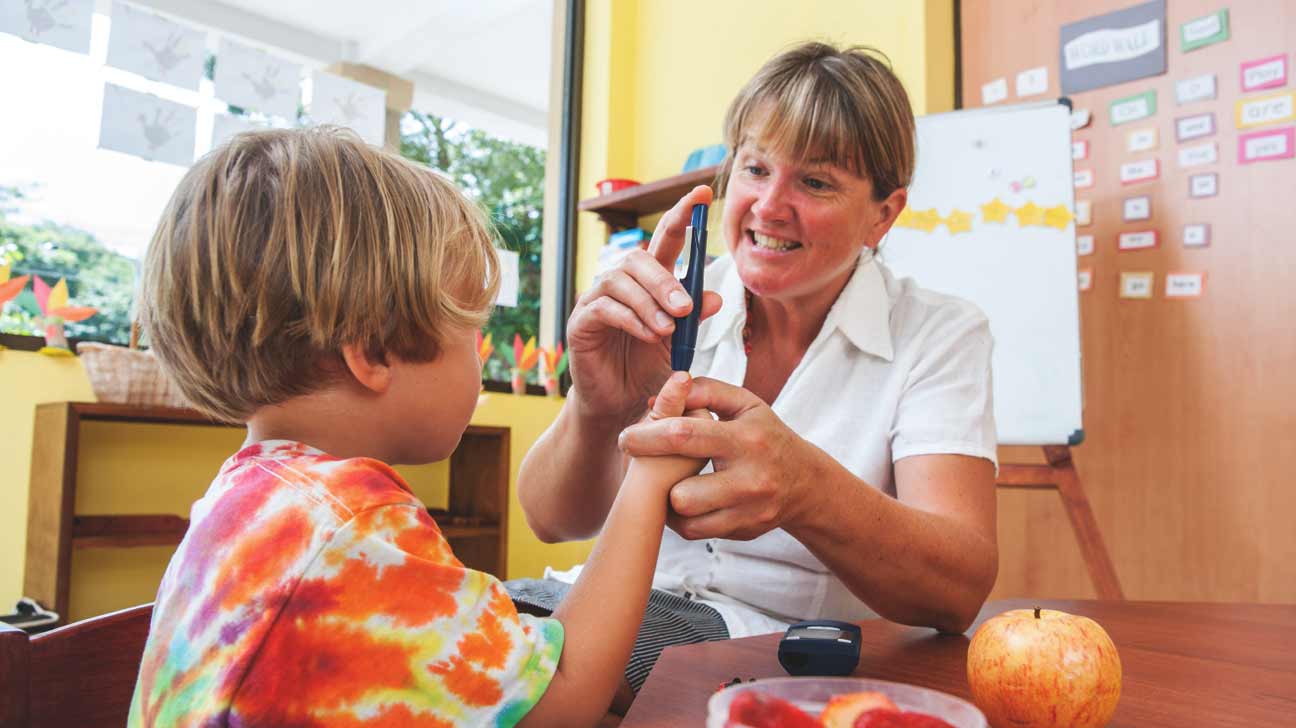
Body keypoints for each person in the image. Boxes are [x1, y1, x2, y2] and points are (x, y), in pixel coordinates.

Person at [128, 127, 707, 727]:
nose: (477, 356)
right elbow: (557, 704)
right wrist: (649, 477)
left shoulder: (245, 498)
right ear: (374, 351)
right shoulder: (357, 521)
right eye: (470, 331)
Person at [513, 41, 1000, 696]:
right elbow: (550, 519)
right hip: (598, 608)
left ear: (883, 215)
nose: (769, 206)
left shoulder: (938, 333)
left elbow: (957, 590)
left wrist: (807, 488)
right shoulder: (666, 302)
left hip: (772, 654)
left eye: (816, 181)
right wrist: (597, 409)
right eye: (754, 169)